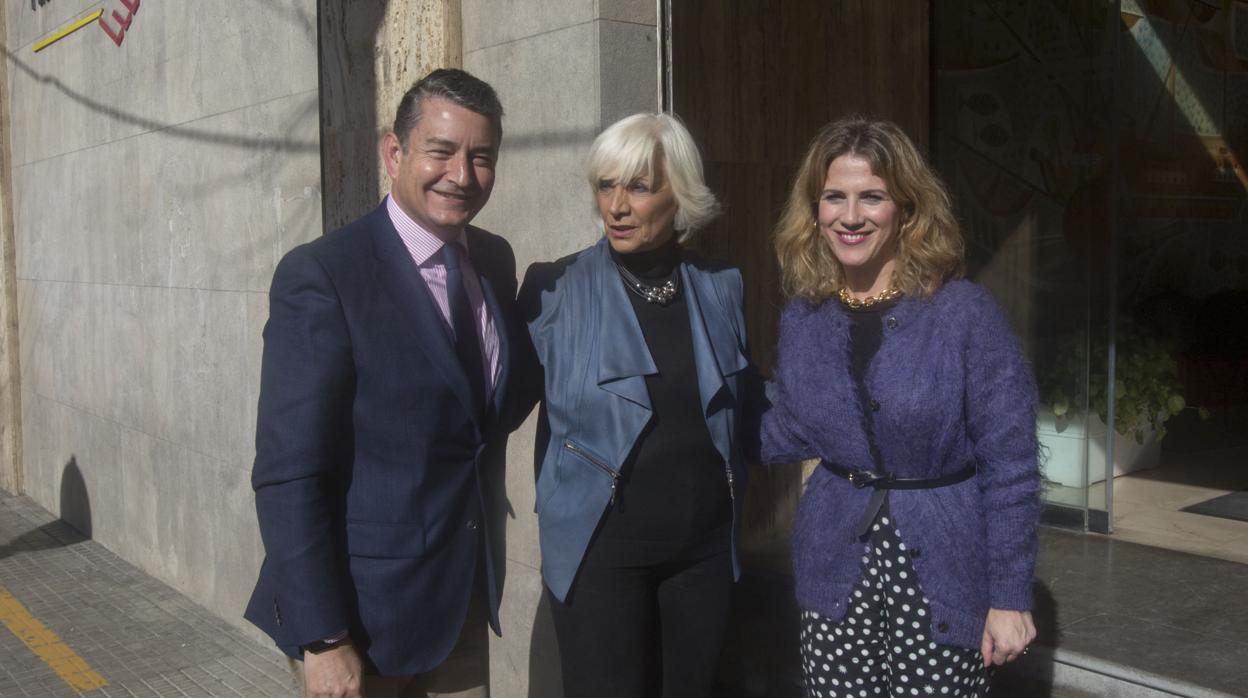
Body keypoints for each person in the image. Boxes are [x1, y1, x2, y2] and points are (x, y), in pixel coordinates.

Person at [244, 69, 519, 698]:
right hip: (362, 623)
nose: (461, 175)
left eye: (481, 157)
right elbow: (289, 473)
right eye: (440, 151)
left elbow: (485, 412)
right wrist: (323, 638)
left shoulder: (494, 261)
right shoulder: (324, 275)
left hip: (462, 600)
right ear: (394, 153)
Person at [760, 115, 1041, 697]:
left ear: (907, 209)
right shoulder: (805, 317)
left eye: (872, 197)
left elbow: (1011, 464)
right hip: (833, 563)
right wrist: (695, 402)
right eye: (833, 197)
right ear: (814, 209)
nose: (850, 216)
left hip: (944, 566)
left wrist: (1010, 596)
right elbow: (788, 426)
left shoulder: (963, 314)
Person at [516, 113, 756, 698]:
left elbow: (747, 402)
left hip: (703, 551)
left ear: (681, 195)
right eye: (606, 186)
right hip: (601, 552)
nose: (617, 206)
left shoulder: (722, 284)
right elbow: (495, 404)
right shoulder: (554, 289)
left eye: (640, 187)